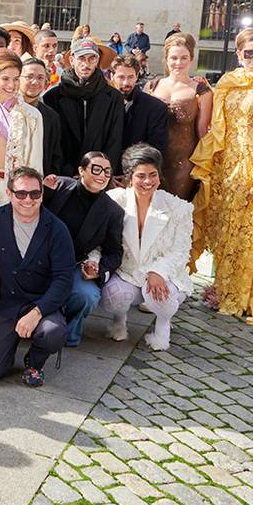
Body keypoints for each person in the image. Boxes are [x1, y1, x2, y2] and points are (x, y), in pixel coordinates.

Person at [190, 27, 253, 325]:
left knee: (245, 234)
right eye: (248, 53)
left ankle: (240, 296)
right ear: (238, 54)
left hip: (252, 169)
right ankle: (222, 287)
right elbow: (217, 127)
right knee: (224, 231)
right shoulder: (228, 84)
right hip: (224, 168)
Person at [0, 167, 74, 386]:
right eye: (20, 193)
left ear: (42, 194)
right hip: (6, 304)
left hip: (42, 303)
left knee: (53, 332)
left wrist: (37, 312)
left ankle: (35, 361)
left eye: (34, 194)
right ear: (9, 194)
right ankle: (4, 346)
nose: (27, 199)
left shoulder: (57, 230)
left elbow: (64, 280)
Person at [100, 144, 194, 351]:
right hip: (128, 273)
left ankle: (162, 325)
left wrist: (158, 271)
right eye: (141, 176)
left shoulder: (179, 208)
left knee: (159, 295)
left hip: (165, 276)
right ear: (129, 178)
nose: (148, 181)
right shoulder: (114, 201)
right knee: (113, 295)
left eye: (153, 175)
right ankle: (118, 320)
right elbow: (100, 240)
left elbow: (181, 250)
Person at [42, 153, 124, 348]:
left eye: (107, 171)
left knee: (86, 295)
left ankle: (67, 330)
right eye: (96, 169)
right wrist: (44, 191)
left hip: (74, 264)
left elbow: (114, 252)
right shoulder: (58, 185)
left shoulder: (113, 211)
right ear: (81, 171)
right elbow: (33, 212)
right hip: (42, 258)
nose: (102, 175)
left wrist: (99, 270)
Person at [43, 38, 124, 174]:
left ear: (97, 61)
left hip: (99, 174)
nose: (86, 64)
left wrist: (104, 172)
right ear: (72, 60)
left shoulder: (114, 98)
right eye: (81, 58)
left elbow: (114, 140)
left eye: (92, 58)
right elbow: (52, 142)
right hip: (63, 175)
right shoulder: (52, 97)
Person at [0, 49, 43, 209]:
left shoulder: (32, 116)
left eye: (16, 79)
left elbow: (35, 163)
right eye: (5, 79)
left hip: (18, 192)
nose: (11, 85)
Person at [148, 33, 212, 198]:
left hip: (183, 163)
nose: (178, 63)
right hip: (152, 160)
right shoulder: (152, 86)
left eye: (184, 58)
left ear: (191, 59)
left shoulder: (201, 91)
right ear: (166, 59)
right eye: (174, 58)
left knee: (175, 209)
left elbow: (203, 131)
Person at [110, 55, 168, 155]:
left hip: (137, 168)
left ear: (137, 76)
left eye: (131, 77)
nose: (126, 83)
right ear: (112, 76)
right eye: (121, 77)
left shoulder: (155, 108)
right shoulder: (100, 104)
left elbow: (157, 148)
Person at [20, 57, 62, 177]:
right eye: (29, 77)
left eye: (40, 78)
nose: (35, 82)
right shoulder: (6, 110)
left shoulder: (51, 117)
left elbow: (55, 156)